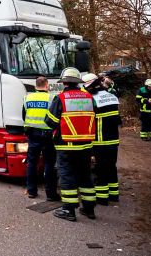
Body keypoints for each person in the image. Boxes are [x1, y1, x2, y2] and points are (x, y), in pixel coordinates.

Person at [45, 67, 97, 222]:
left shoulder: (60, 98)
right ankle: (88, 209)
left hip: (66, 145)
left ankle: (69, 210)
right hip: (86, 145)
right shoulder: (89, 97)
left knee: (67, 176)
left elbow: (50, 122)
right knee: (85, 176)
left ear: (65, 82)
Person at [84, 74, 122, 205]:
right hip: (113, 140)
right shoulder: (111, 96)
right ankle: (114, 195)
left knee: (101, 169)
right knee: (112, 167)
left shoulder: (93, 99)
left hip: (100, 140)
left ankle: (102, 198)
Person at [22, 76, 58, 201]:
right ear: (47, 85)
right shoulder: (52, 98)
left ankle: (31, 191)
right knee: (49, 163)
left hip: (32, 135)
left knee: (32, 163)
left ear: (35, 85)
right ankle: (51, 194)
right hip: (48, 136)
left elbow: (24, 116)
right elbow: (55, 118)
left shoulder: (27, 98)